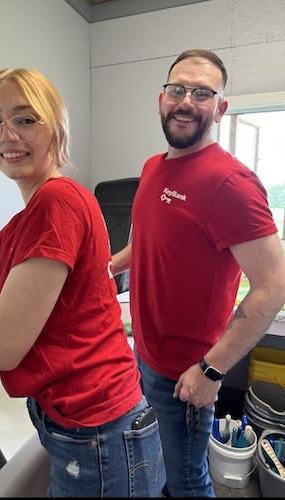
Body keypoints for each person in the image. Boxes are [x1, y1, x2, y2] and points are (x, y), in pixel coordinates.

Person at [0, 68, 164, 497]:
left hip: (98, 430)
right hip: (84, 422)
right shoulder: (28, 218)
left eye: (25, 119)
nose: (5, 135)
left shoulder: (57, 203)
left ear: (56, 127)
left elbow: (2, 346)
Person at [112, 49, 285, 497]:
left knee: (189, 482)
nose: (186, 100)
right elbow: (150, 240)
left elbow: (274, 285)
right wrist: (111, 265)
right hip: (145, 354)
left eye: (202, 92)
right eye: (177, 89)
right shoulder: (154, 167)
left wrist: (211, 371)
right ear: (161, 98)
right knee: (160, 469)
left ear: (221, 108)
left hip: (187, 375)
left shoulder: (230, 184)